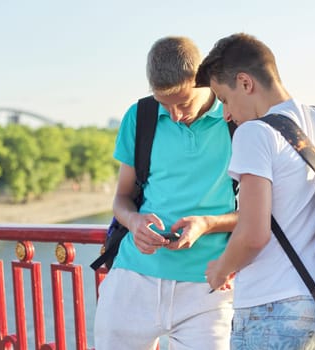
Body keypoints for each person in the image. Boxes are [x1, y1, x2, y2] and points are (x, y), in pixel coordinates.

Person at [94, 36, 237, 350]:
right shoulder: (139, 116)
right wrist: (133, 223)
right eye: (163, 103)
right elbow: (121, 199)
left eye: (182, 103)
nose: (174, 114)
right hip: (133, 280)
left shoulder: (236, 120)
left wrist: (208, 224)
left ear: (204, 81)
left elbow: (259, 213)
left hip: (209, 287)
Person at [197, 33, 315, 349]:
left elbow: (253, 234)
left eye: (224, 99)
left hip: (271, 308)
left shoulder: (255, 133)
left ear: (245, 83)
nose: (227, 114)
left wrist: (221, 269)